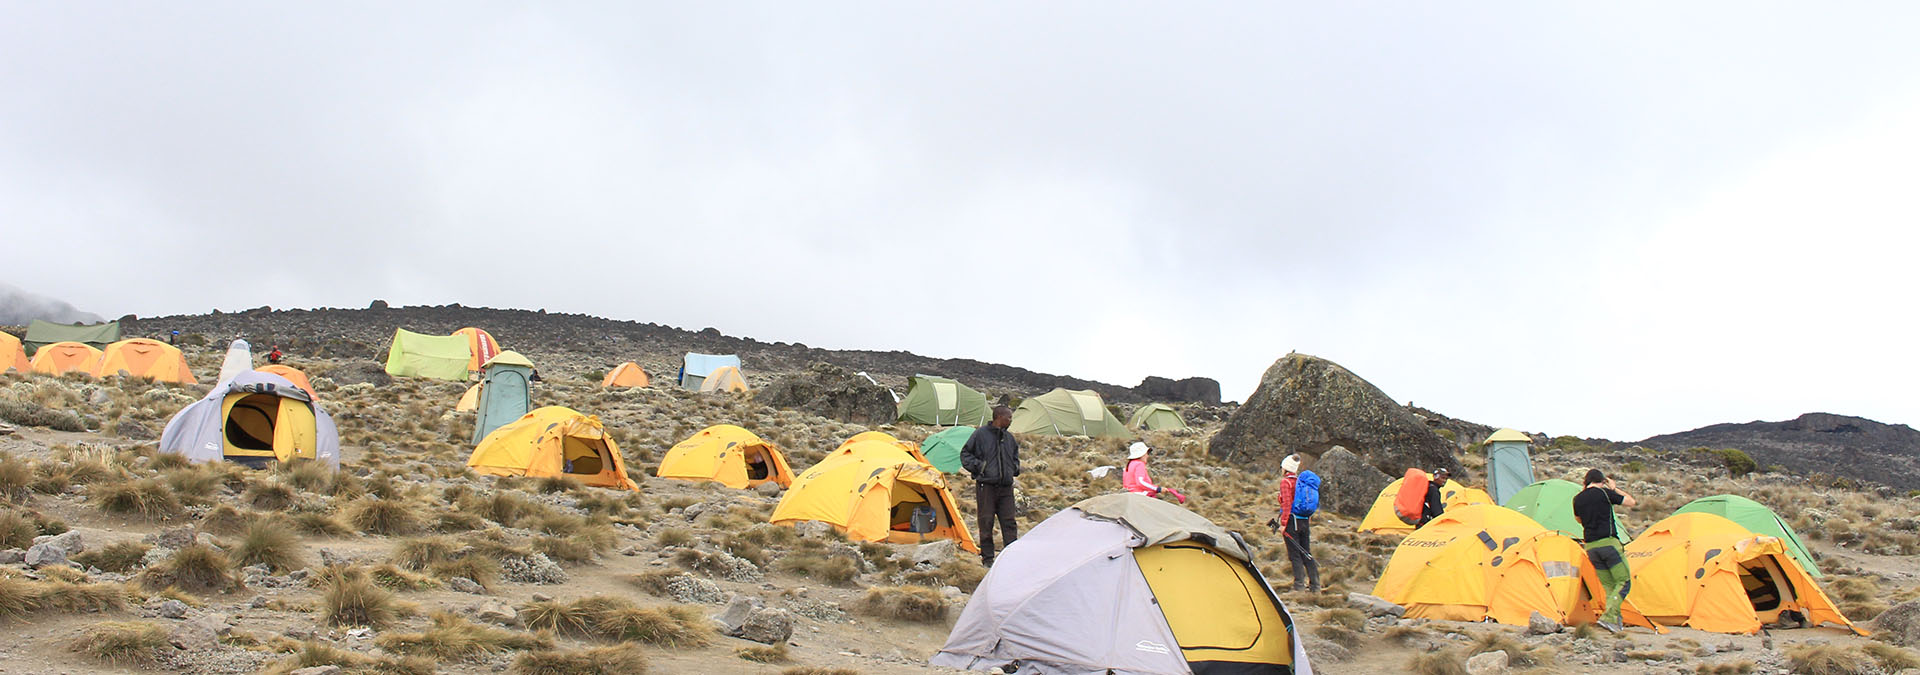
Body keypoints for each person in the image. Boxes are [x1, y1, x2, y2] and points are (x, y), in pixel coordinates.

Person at [1574, 468, 1637, 631]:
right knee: (1623, 581)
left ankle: (1615, 622)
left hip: (1591, 547)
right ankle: (1609, 617)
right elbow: (1631, 502)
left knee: (1609, 585)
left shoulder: (1577, 499)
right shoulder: (1604, 493)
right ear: (1602, 481)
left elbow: (1579, 520)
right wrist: (1613, 488)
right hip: (1609, 544)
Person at [961, 405, 1021, 567]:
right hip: (986, 487)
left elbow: (1015, 457)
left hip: (1006, 487)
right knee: (986, 522)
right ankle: (987, 559)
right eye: (1008, 417)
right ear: (999, 417)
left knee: (1009, 522)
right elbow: (965, 454)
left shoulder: (1009, 438)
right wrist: (980, 468)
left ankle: (1011, 557)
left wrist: (1013, 469)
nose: (1011, 420)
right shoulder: (980, 434)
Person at [1281, 454, 1321, 592]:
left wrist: (1283, 524)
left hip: (1292, 522)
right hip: (1304, 520)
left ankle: (1299, 586)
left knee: (1295, 555)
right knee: (1306, 552)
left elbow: (1287, 504)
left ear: (1285, 468)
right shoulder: (1300, 482)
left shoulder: (1286, 483)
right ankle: (1315, 585)